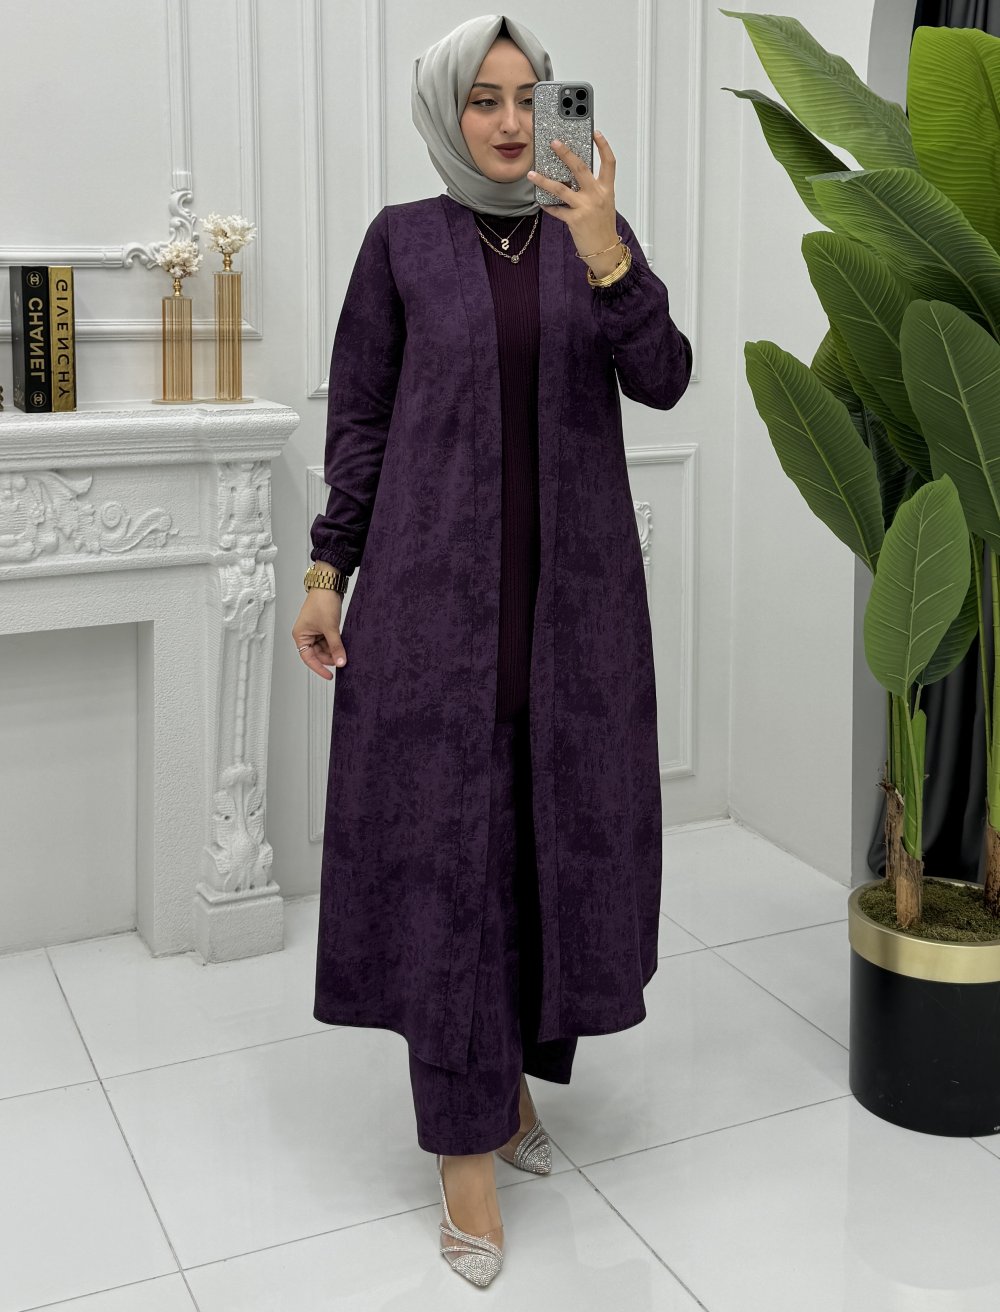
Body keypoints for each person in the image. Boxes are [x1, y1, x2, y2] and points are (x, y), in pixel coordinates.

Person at [292, 11, 692, 1288]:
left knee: (534, 847)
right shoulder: (401, 242)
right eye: (485, 99)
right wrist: (326, 571)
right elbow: (360, 420)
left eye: (531, 97)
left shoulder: (590, 233)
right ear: (444, 111)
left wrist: (609, 255)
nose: (513, 123)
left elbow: (665, 376)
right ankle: (464, 1151)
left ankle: (510, 1081)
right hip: (431, 620)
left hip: (572, 621)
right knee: (446, 866)